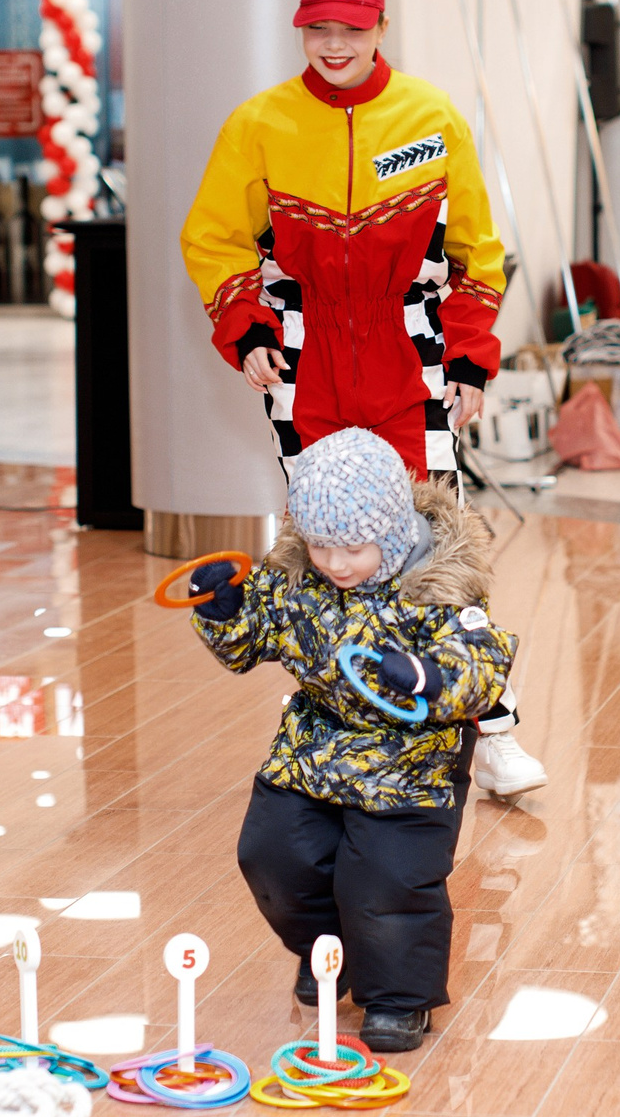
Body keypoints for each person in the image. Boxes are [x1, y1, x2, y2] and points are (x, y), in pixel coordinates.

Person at [180, 0, 545, 798]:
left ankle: (491, 730)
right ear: (302, 29)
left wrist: (470, 354)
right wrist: (246, 329)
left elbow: (477, 252)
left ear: (382, 26)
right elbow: (213, 239)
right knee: (328, 553)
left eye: (351, 28)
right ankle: (341, 723)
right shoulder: (258, 124)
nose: (334, 43)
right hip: (302, 368)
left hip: (409, 360)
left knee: (437, 548)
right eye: (319, 28)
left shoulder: (431, 116)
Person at [190, 427, 515, 1053]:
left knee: (387, 881)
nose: (335, 564)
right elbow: (250, 640)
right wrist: (225, 609)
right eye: (319, 546)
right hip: (316, 743)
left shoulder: (441, 588)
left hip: (411, 761)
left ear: (392, 532)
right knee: (272, 856)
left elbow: (482, 666)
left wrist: (427, 676)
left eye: (352, 548)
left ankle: (397, 998)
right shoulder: (301, 577)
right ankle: (327, 950)